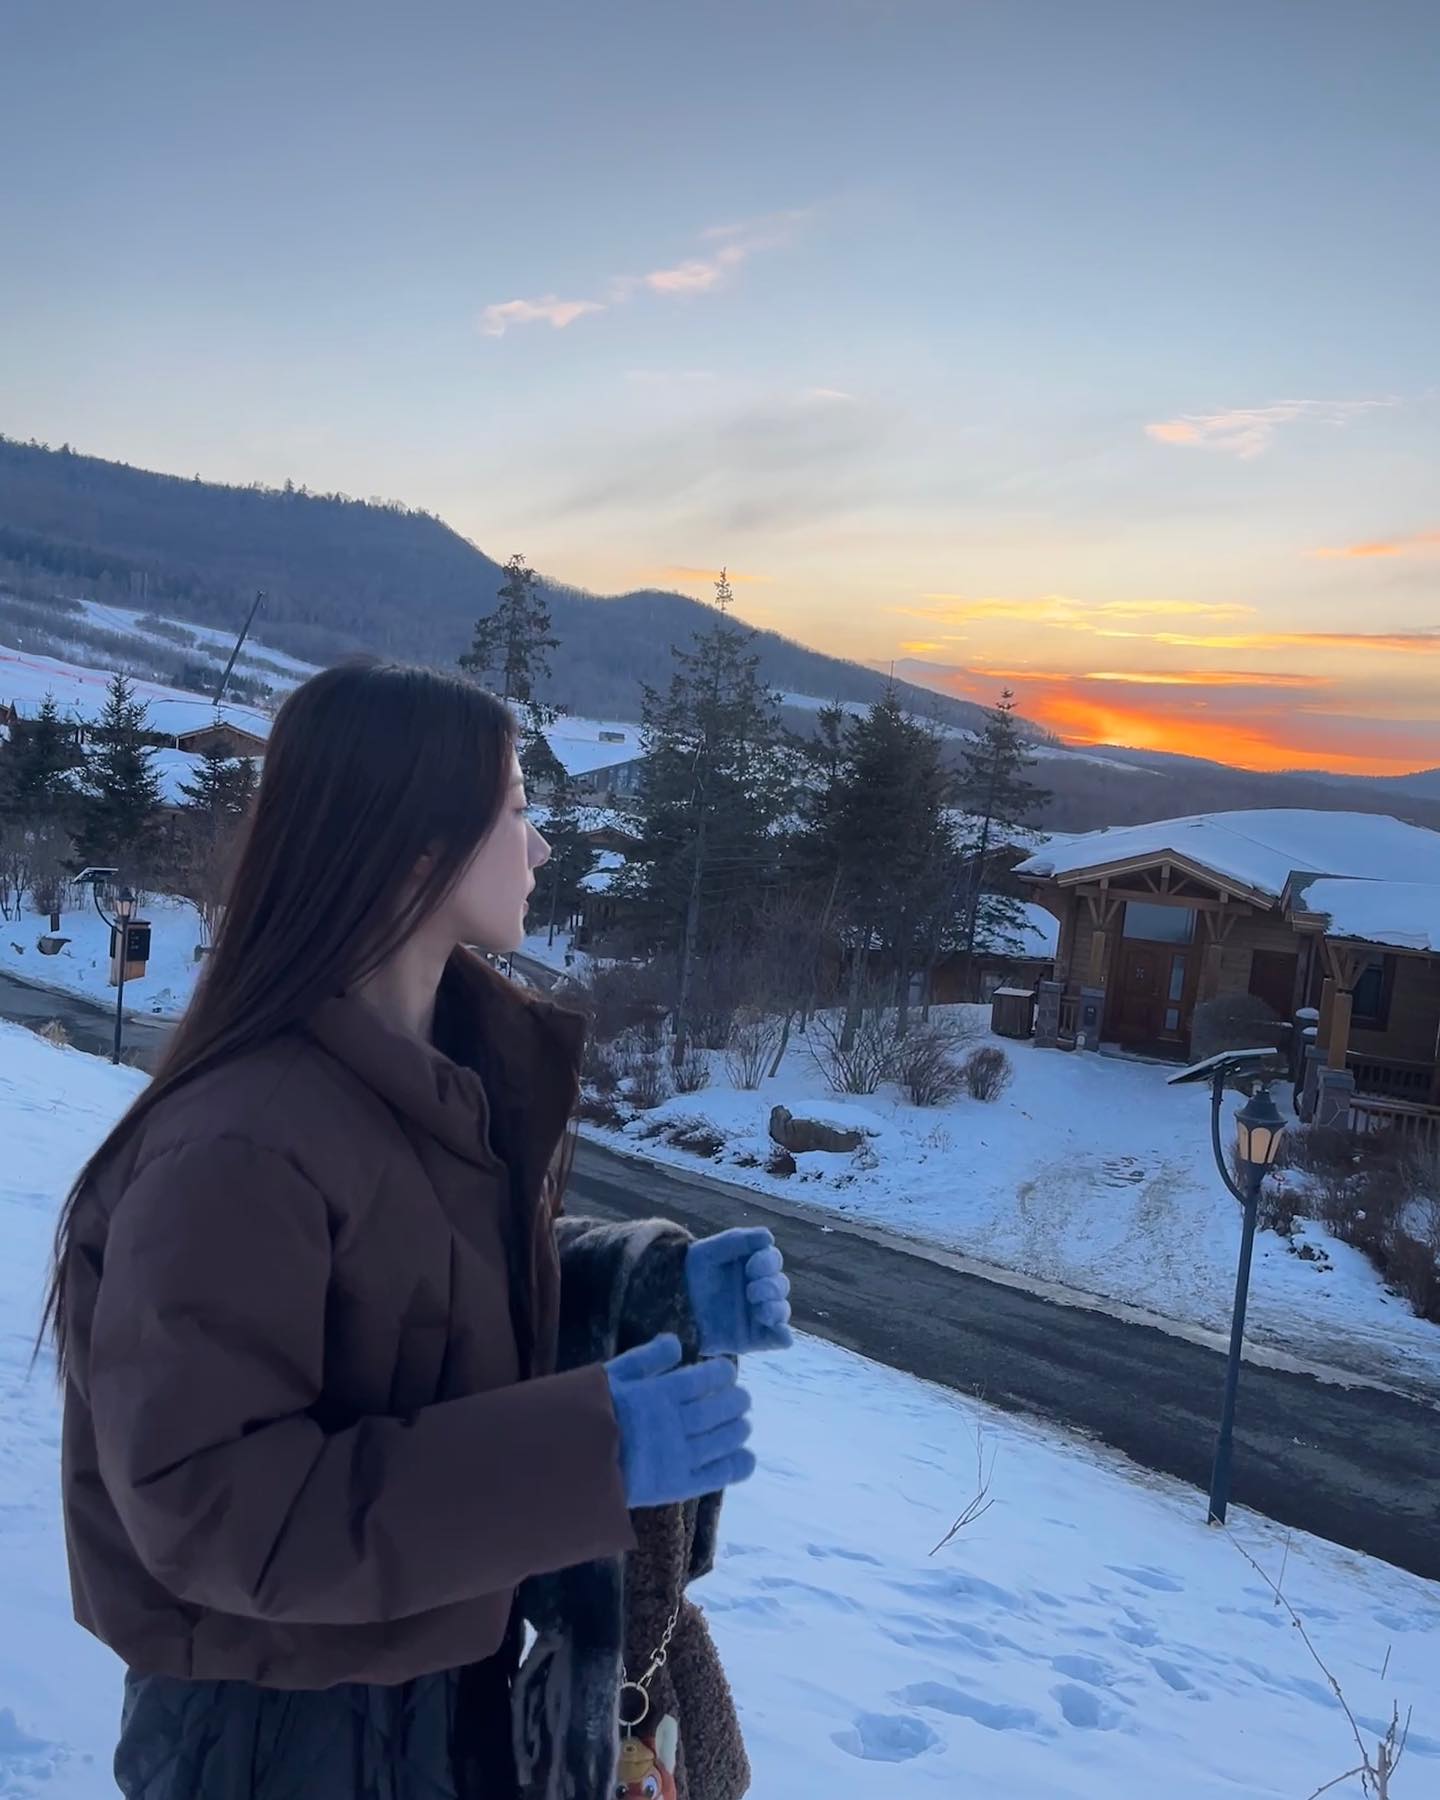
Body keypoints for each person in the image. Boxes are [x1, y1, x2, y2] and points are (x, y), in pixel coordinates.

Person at [45, 661, 793, 1800]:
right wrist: (589, 1453)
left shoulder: (428, 1084)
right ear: (417, 845)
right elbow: (214, 1508)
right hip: (276, 1746)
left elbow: (414, 1309)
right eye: (518, 809)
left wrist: (652, 1291)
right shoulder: (239, 1143)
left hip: (438, 1712)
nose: (542, 846)